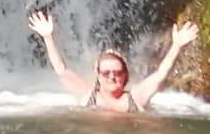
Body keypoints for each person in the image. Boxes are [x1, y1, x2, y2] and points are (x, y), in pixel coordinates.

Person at [27, 9, 199, 112]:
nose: (111, 77)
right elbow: (62, 70)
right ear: (99, 76)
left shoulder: (136, 99)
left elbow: (161, 73)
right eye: (106, 73)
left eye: (117, 72)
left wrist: (177, 45)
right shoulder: (88, 96)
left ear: (125, 75)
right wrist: (48, 37)